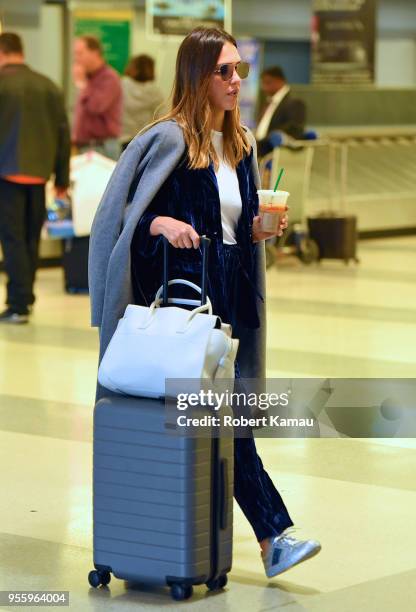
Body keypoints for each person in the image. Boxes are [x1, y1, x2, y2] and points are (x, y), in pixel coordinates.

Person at [89, 27, 321, 578]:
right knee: (226, 420)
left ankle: (264, 537)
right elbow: (121, 222)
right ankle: (273, 536)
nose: (237, 80)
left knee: (226, 418)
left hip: (233, 292)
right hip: (187, 302)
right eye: (225, 71)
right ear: (197, 75)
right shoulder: (167, 141)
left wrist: (260, 229)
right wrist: (160, 222)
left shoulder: (241, 143)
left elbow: (233, 226)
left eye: (239, 69)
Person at [0, 32, 70, 324]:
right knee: (30, 238)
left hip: (6, 173)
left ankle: (18, 303)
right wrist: (62, 179)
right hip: (40, 177)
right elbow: (63, 135)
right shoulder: (49, 86)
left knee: (13, 238)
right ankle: (25, 297)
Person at [72, 35, 122, 161]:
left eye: (80, 53)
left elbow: (96, 107)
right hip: (85, 146)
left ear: (95, 53)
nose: (76, 58)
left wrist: (82, 85)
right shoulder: (88, 78)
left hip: (101, 148)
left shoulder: (109, 78)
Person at [256, 66, 306, 157]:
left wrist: (267, 140)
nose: (264, 88)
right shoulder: (269, 101)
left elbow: (294, 128)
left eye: (267, 83)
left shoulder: (294, 102)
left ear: (279, 81)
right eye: (263, 83)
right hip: (260, 153)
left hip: (278, 156)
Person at [120, 54, 164, 151]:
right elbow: (161, 119)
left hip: (121, 140)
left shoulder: (121, 85)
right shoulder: (155, 91)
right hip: (144, 142)